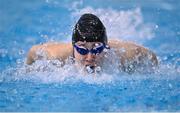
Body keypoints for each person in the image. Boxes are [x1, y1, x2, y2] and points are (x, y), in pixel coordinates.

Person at [26, 13, 158, 73]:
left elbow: (151, 57)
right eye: (82, 49)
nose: (89, 57)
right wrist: (28, 70)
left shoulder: (125, 54)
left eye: (96, 49)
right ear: (73, 45)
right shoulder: (57, 56)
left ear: (105, 46)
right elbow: (33, 52)